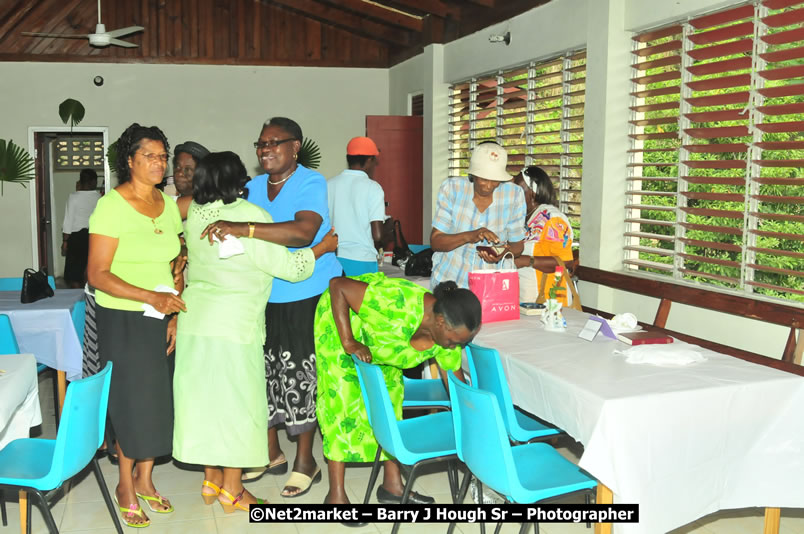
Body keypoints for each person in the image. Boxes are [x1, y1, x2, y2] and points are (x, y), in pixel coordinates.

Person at [172, 151, 338, 512]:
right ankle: (232, 489)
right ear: (238, 181)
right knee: (238, 406)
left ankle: (211, 479)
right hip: (235, 325)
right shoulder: (250, 216)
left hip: (194, 322)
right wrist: (322, 248)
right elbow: (290, 268)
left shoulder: (194, 213)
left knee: (203, 402)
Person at [87, 123, 186, 528]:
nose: (159, 163)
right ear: (129, 160)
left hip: (160, 315)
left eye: (163, 157)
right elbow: (97, 273)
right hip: (124, 317)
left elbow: (176, 259)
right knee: (132, 402)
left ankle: (145, 480)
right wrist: (150, 297)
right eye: (150, 156)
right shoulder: (111, 206)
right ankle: (125, 486)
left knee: (158, 400)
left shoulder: (167, 203)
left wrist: (173, 312)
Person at [315, 273, 481, 508]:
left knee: (391, 398)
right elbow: (337, 285)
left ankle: (392, 486)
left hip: (381, 340)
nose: (455, 347)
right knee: (341, 403)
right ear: (440, 322)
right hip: (342, 321)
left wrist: (473, 420)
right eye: (453, 342)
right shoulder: (396, 303)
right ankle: (336, 496)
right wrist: (349, 341)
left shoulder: (446, 336)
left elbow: (455, 384)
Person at [430, 142, 526, 289]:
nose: (489, 186)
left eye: (495, 180)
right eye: (484, 179)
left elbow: (517, 246)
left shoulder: (514, 195)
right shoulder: (452, 189)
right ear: (473, 174)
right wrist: (470, 236)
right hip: (450, 281)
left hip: (493, 285)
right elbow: (436, 242)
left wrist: (503, 252)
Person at [513, 166, 575, 305]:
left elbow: (566, 263)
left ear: (533, 192)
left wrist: (527, 261)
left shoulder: (553, 219)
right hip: (523, 299)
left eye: (518, 189)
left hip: (548, 302)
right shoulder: (520, 218)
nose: (512, 193)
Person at [327, 136, 386, 275]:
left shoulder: (329, 184)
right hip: (362, 260)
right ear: (369, 160)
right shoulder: (373, 188)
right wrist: (388, 228)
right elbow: (377, 235)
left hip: (333, 258)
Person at [62, 168, 101, 288]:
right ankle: (87, 294)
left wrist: (65, 241)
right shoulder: (99, 197)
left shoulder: (73, 197)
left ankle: (76, 295)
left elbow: (68, 220)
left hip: (76, 238)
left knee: (74, 273)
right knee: (88, 269)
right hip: (93, 236)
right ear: (93, 182)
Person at [172, 141, 210, 218]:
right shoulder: (164, 197)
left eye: (187, 169)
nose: (180, 173)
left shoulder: (211, 208)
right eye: (177, 167)